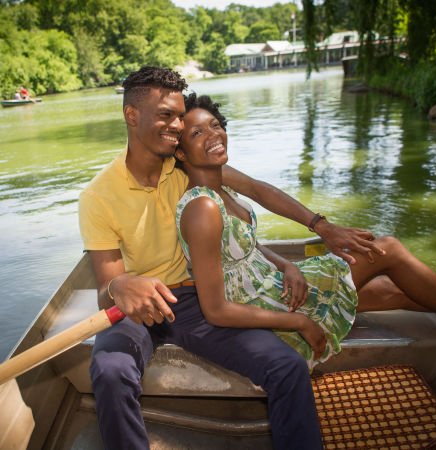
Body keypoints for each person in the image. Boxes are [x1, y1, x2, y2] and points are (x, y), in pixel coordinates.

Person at [78, 66, 386, 450]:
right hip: (139, 310)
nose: (176, 124)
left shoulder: (187, 167)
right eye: (166, 115)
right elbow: (107, 290)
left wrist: (318, 229)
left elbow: (257, 191)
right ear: (131, 116)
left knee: (285, 365)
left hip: (193, 298)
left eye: (179, 115)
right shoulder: (98, 196)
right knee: (109, 370)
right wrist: (122, 283)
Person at [174, 93, 436, 370]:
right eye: (197, 132)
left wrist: (287, 266)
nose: (213, 135)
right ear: (181, 152)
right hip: (261, 301)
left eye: (215, 125)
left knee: (392, 290)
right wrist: (300, 322)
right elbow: (215, 309)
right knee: (386, 249)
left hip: (274, 282)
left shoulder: (220, 183)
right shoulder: (203, 206)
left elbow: (244, 242)